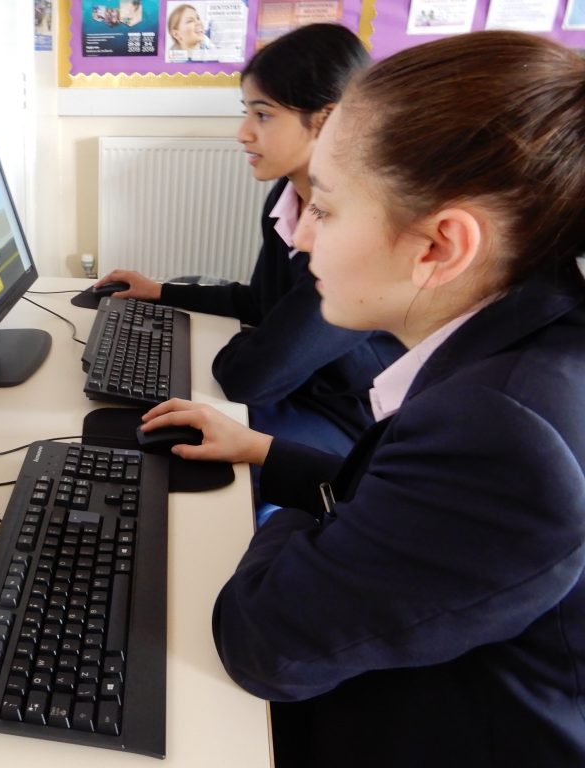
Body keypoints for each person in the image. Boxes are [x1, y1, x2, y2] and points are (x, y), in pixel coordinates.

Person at [140, 30, 585, 766]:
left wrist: (294, 532)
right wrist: (264, 453)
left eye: (331, 209)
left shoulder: (505, 432)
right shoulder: (531, 338)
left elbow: (262, 641)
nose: (304, 234)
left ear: (440, 246)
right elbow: (404, 510)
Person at [98, 24, 404, 498]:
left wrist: (231, 350)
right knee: (140, 423)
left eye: (262, 115)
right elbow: (263, 304)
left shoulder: (362, 238)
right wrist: (162, 292)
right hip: (293, 388)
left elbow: (249, 380)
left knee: (169, 451)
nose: (243, 134)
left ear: (326, 121)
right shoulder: (287, 198)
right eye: (247, 113)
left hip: (345, 423)